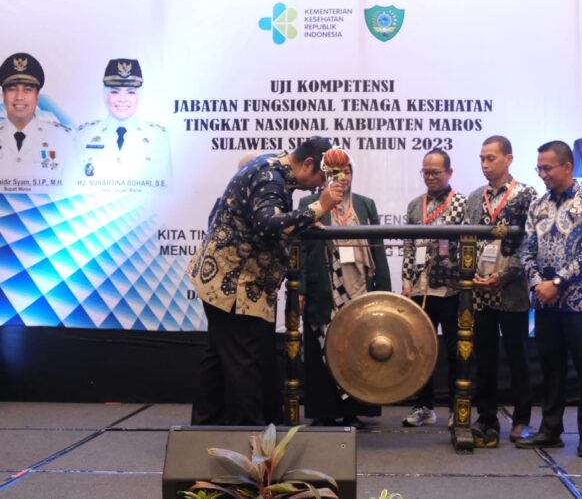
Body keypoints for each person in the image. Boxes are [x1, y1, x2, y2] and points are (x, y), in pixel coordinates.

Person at [187, 137, 342, 426]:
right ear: (308, 164)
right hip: (234, 285)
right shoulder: (271, 177)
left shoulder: (273, 168)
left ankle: (205, 429)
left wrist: (302, 219)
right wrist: (317, 208)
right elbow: (267, 224)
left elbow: (270, 217)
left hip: (224, 280)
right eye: (321, 178)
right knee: (245, 364)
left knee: (218, 358)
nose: (320, 186)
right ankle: (252, 438)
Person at [517, 140, 582, 458]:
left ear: (567, 166)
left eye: (547, 168)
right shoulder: (537, 205)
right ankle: (550, 429)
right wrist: (538, 284)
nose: (542, 174)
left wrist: (557, 283)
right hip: (545, 302)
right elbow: (526, 251)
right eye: (538, 168)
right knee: (550, 368)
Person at [299, 149, 392, 427]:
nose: (343, 177)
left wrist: (384, 291)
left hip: (359, 287)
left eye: (347, 172)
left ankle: (354, 411)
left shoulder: (365, 204)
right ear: (325, 175)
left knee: (359, 348)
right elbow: (300, 251)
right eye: (336, 173)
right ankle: (324, 412)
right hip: (323, 287)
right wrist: (301, 288)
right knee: (324, 348)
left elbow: (378, 250)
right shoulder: (309, 203)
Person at [466, 135, 537, 446]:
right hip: (480, 291)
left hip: (512, 290)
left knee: (517, 356)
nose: (485, 164)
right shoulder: (473, 198)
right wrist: (471, 275)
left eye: (491, 158)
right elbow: (466, 242)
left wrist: (505, 276)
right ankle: (487, 417)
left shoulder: (527, 195)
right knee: (484, 358)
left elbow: (530, 244)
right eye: (482, 158)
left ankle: (521, 419)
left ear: (509, 159)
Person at [401, 149, 469, 427]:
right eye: (426, 172)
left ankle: (456, 407)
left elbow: (467, 246)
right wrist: (406, 282)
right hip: (420, 289)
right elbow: (408, 246)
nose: (430, 177)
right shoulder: (415, 205)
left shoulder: (462, 203)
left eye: (435, 172)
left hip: (451, 290)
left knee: (454, 350)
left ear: (449, 173)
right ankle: (424, 407)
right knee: (420, 350)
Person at [75, 58, 171, 181]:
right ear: (105, 94)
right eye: (115, 92)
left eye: (131, 92)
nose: (123, 99)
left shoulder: (158, 137)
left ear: (139, 95)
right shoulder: (84, 135)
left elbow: (167, 188)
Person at [0, 52, 75, 184]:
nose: (19, 97)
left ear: (37, 95)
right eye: (12, 89)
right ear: (3, 95)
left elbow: (72, 189)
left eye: (27, 89)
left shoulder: (62, 139)